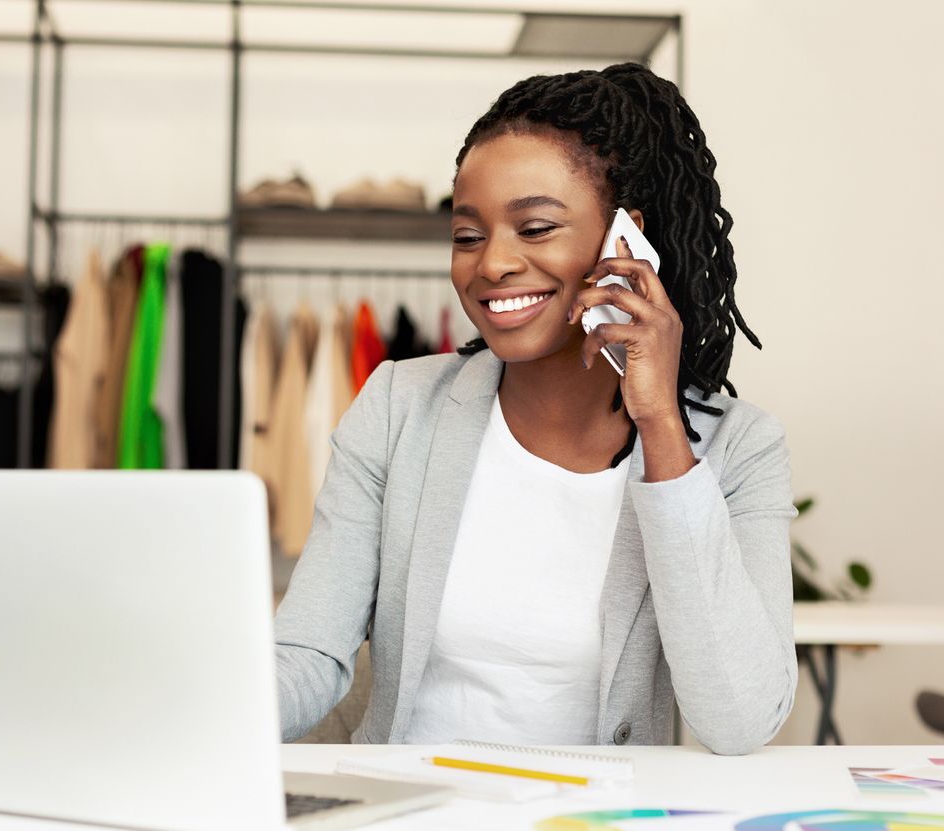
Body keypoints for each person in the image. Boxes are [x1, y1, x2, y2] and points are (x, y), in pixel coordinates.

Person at [273, 62, 797, 755]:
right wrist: (183, 710)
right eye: (468, 235)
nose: (491, 264)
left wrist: (662, 427)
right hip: (409, 812)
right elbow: (310, 654)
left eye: (537, 227)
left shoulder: (739, 450)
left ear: (625, 241)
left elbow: (739, 720)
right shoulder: (398, 407)